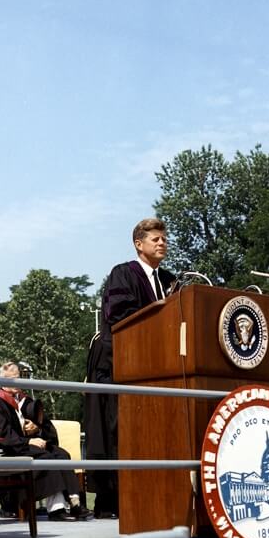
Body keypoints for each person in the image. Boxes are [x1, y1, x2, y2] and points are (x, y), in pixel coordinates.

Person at [84, 217, 176, 519]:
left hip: (154, 368)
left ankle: (148, 493)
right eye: (155, 239)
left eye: (164, 238)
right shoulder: (124, 274)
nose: (162, 242)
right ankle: (110, 501)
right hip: (118, 362)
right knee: (115, 431)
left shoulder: (169, 281)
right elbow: (120, 314)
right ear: (139, 244)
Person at [0, 362, 90, 521]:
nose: (17, 382)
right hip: (12, 448)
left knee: (61, 454)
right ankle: (56, 509)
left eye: (18, 378)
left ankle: (75, 502)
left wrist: (37, 429)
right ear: (1, 382)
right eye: (12, 379)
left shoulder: (26, 401)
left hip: (30, 446)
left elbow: (47, 428)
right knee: (48, 458)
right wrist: (28, 442)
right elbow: (2, 433)